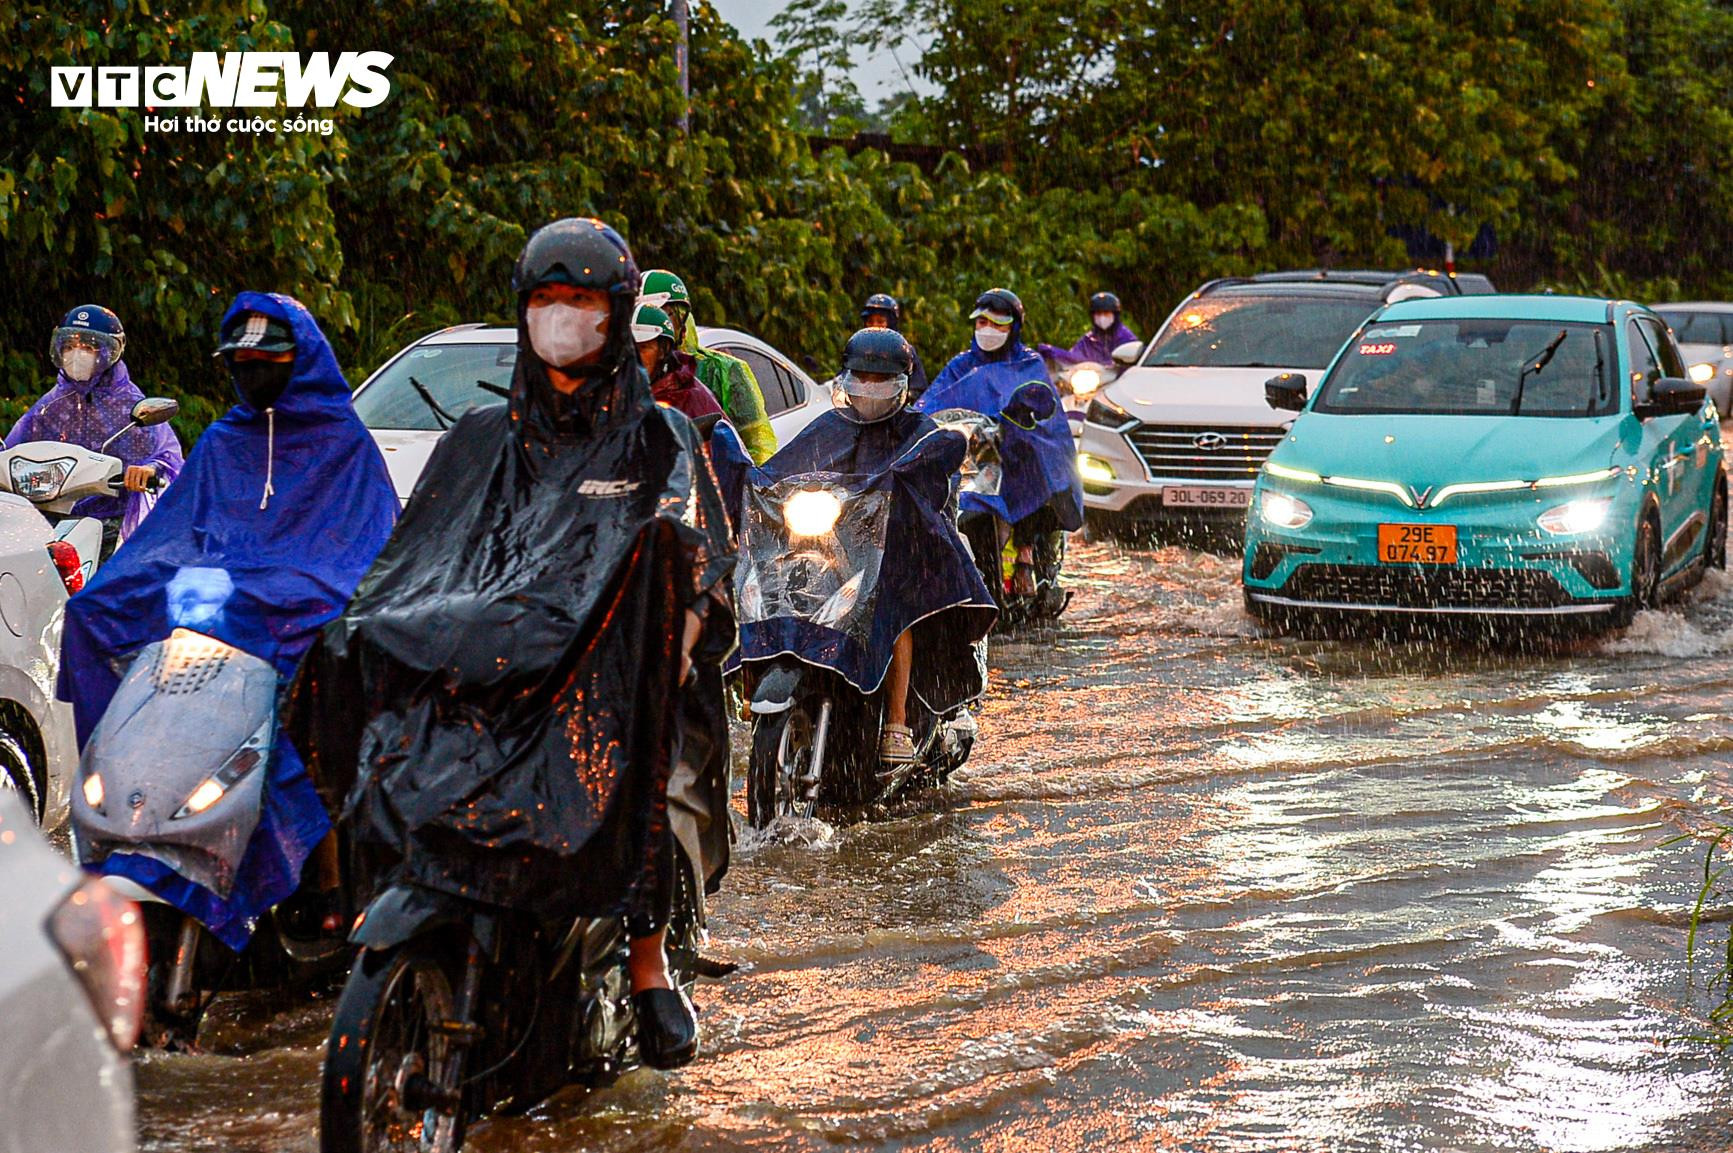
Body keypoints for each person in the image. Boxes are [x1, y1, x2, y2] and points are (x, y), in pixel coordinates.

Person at [291, 219, 736, 1070]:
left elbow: (693, 563)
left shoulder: (658, 440)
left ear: (614, 313)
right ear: (521, 311)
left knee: (641, 734)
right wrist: (365, 623)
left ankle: (647, 969)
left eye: (580, 301)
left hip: (596, 691)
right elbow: (419, 557)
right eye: (544, 300)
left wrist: (668, 640)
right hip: (491, 676)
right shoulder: (475, 440)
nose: (561, 317)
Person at [57, 293, 400, 949]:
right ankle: (121, 804)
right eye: (240, 362)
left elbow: (369, 551)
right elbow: (171, 536)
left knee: (318, 691)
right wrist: (118, 590)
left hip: (300, 629)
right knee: (95, 610)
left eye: (265, 360)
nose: (252, 372)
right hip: (222, 630)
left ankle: (320, 871)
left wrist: (308, 592)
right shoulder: (223, 442)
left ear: (299, 362)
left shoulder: (344, 445)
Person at [717, 328, 995, 768]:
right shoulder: (828, 427)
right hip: (832, 552)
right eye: (861, 377)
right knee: (765, 584)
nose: (870, 388)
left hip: (895, 555)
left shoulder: (919, 431)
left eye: (880, 380)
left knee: (897, 604)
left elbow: (937, 475)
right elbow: (780, 472)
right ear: (845, 379)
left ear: (902, 384)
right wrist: (754, 480)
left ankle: (897, 723)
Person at [917, 288, 1083, 598]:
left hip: (1017, 453)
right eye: (982, 322)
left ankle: (1026, 554)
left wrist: (1021, 415)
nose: (988, 331)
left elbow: (1047, 418)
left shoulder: (1029, 362)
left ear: (1014, 328)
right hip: (973, 452)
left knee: (1037, 467)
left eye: (998, 325)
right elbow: (933, 401)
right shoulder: (961, 364)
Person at [7, 304, 184, 557]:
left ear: (109, 352)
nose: (76, 354)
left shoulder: (131, 404)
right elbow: (13, 448)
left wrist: (148, 470)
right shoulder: (50, 406)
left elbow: (168, 456)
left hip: (112, 523)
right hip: (46, 520)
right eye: (69, 346)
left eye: (88, 347)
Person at [639, 268, 778, 463]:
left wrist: (748, 486)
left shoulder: (722, 371)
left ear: (682, 317)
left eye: (662, 315)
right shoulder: (621, 378)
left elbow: (757, 447)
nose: (656, 326)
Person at [633, 303, 724, 423]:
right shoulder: (608, 393)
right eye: (627, 348)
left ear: (662, 351)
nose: (633, 356)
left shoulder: (692, 398)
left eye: (643, 347)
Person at [1037, 291, 1140, 369]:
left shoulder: (1125, 337)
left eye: (1106, 314)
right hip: (1091, 384)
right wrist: (1055, 352)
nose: (1102, 318)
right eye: (1098, 314)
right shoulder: (1089, 339)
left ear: (1115, 315)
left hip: (1118, 385)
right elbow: (1074, 357)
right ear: (1092, 316)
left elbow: (1131, 362)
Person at [859, 292, 930, 401]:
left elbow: (918, 388)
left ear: (891, 323)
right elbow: (843, 380)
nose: (874, 326)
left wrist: (900, 398)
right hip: (862, 409)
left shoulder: (904, 351)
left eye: (880, 321)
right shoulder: (859, 349)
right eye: (870, 321)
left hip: (895, 410)